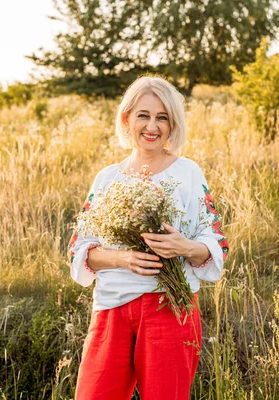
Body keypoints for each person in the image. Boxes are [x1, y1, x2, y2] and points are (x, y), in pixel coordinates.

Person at [68, 76, 229, 400]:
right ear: (127, 119)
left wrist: (185, 246)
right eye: (143, 115)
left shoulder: (187, 173)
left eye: (162, 117)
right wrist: (121, 258)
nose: (152, 126)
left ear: (173, 124)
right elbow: (79, 249)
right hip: (111, 308)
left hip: (169, 308)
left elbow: (215, 241)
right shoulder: (107, 178)